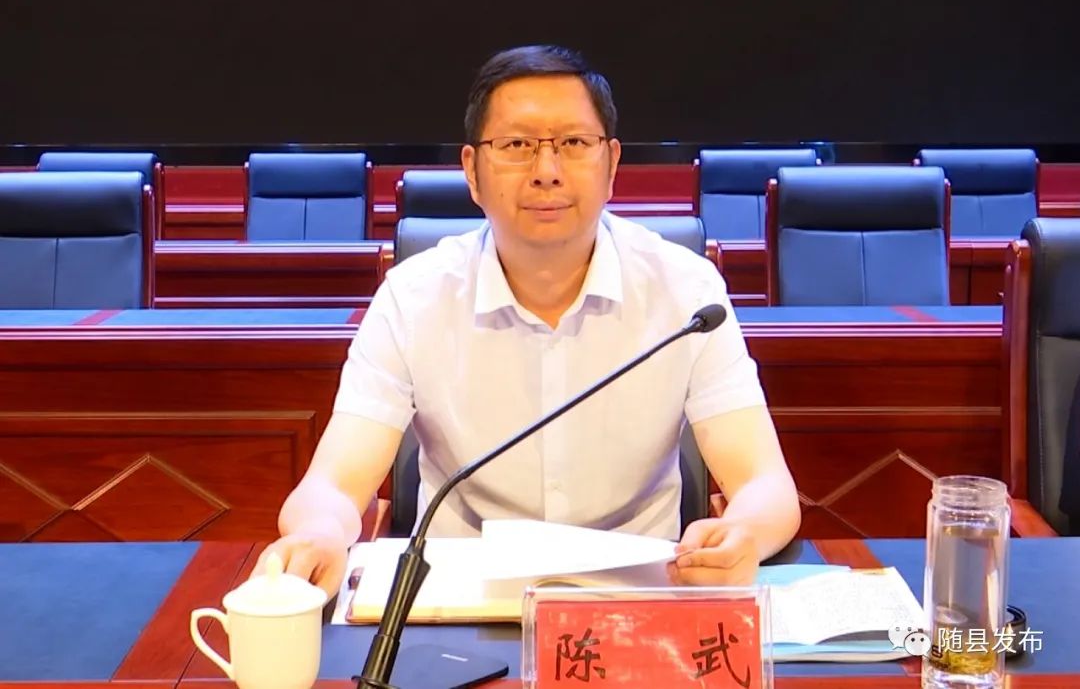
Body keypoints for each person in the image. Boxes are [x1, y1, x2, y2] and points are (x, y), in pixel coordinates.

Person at [254, 44, 801, 596]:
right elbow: (334, 484)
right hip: (458, 596)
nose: (547, 172)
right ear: (472, 171)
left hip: (636, 594)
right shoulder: (413, 297)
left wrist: (744, 534)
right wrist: (321, 532)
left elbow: (764, 484)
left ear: (612, 165)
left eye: (573, 144)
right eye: (516, 145)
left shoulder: (687, 292)